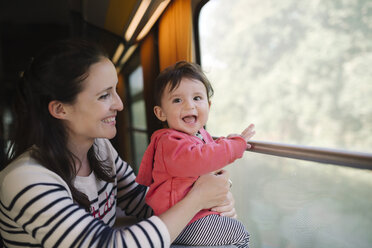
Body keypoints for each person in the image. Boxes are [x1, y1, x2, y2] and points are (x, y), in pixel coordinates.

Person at [0, 39, 236, 247]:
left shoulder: (99, 148)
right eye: (104, 95)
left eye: (115, 91)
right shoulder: (25, 179)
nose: (119, 105)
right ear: (60, 109)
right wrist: (196, 200)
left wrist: (209, 204)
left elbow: (142, 202)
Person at [136, 61, 255, 247]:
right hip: (180, 222)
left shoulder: (199, 134)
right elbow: (200, 158)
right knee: (237, 233)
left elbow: (207, 148)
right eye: (177, 100)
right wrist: (235, 146)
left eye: (197, 98)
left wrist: (227, 140)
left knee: (230, 230)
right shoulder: (169, 142)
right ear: (160, 113)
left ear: (208, 105)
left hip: (196, 215)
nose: (189, 106)